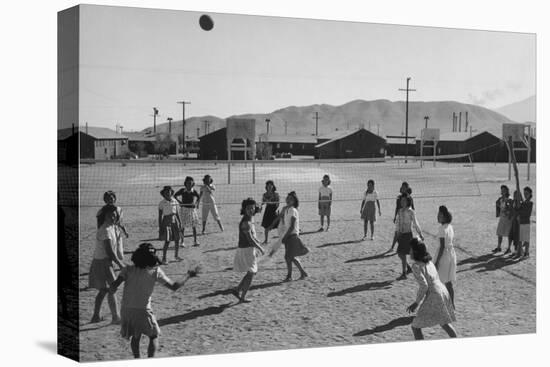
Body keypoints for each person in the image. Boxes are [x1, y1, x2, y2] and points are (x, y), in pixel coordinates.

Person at [111, 243, 199, 358]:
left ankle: (137, 359)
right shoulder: (155, 271)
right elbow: (174, 286)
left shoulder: (128, 269)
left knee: (135, 336)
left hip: (126, 310)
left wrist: (110, 288)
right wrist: (188, 275)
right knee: (153, 335)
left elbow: (114, 286)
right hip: (143, 310)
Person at [406, 238, 457, 340]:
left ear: (415, 252)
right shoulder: (429, 262)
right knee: (444, 322)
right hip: (442, 291)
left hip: (434, 295)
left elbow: (424, 285)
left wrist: (416, 303)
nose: (409, 251)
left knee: (415, 326)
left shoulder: (416, 266)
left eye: (411, 249)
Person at [89, 205, 125, 324]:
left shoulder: (113, 227)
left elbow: (115, 248)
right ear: (105, 216)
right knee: (111, 289)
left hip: (106, 262)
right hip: (101, 262)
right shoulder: (104, 230)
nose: (113, 217)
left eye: (115, 214)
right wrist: (120, 264)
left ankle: (96, 316)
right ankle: (115, 317)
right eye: (110, 215)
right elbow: (109, 251)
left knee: (105, 290)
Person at [232, 198, 265, 303]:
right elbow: (250, 239)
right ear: (244, 209)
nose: (251, 210)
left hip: (247, 249)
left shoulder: (250, 218)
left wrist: (257, 240)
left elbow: (252, 236)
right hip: (246, 250)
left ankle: (237, 290)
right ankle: (242, 297)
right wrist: (260, 247)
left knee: (251, 272)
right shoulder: (246, 222)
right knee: (251, 273)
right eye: (248, 208)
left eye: (252, 208)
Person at [394, 194, 424, 280]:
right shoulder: (399, 211)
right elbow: (398, 223)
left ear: (408, 202)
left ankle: (404, 273)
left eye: (404, 201)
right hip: (401, 235)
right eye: (401, 200)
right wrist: (398, 233)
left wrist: (420, 233)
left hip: (408, 235)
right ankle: (408, 268)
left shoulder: (411, 212)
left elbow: (415, 223)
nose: (402, 202)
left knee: (403, 253)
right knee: (400, 253)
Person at [281, 191, 309, 281]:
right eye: (287, 198)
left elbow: (292, 226)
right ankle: (303, 273)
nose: (288, 200)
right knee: (291, 257)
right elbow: (285, 223)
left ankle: (289, 276)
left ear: (294, 201)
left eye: (291, 199)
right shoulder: (287, 210)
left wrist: (285, 237)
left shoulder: (293, 210)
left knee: (288, 257)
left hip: (292, 236)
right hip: (288, 235)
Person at [434, 205, 457, 307]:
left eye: (440, 215)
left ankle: (441, 304)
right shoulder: (450, 227)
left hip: (444, 255)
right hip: (451, 254)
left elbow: (442, 246)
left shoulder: (441, 229)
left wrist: (437, 261)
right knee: (448, 281)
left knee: (438, 281)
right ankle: (451, 304)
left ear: (444, 216)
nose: (438, 216)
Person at [158, 186, 182, 264]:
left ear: (171, 192)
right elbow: (160, 216)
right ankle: (164, 258)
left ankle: (176, 256)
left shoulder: (174, 201)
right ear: (163, 194)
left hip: (175, 220)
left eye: (169, 192)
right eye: (166, 192)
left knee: (177, 239)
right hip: (166, 221)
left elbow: (177, 212)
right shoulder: (162, 203)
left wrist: (180, 222)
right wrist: (160, 227)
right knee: (167, 241)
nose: (168, 193)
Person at [175, 177, 201, 247]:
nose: (189, 184)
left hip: (191, 210)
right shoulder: (182, 190)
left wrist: (196, 203)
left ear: (193, 184)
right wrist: (180, 202)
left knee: (194, 226)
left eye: (190, 183)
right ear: (185, 184)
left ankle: (195, 241)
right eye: (188, 183)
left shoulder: (194, 191)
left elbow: (199, 197)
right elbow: (175, 195)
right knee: (182, 226)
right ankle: (182, 242)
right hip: (184, 209)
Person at [514, 186, 533, 259]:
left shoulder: (530, 203)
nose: (525, 195)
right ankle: (520, 252)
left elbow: (526, 213)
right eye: (524, 193)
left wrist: (519, 210)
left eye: (527, 193)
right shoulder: (523, 202)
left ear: (530, 194)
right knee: (521, 238)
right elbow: (517, 210)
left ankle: (526, 253)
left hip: (526, 222)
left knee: (526, 239)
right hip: (521, 222)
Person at [493, 185, 513, 253]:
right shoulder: (500, 198)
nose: (503, 191)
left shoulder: (510, 199)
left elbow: (511, 209)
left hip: (508, 219)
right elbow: (498, 204)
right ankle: (499, 247)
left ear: (507, 190)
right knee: (499, 233)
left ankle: (509, 248)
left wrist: (507, 211)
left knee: (508, 234)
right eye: (502, 190)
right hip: (502, 218)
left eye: (504, 190)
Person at [260, 180, 280, 244]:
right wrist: (264, 202)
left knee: (280, 225)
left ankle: (284, 237)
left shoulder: (276, 194)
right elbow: (263, 203)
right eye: (268, 185)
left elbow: (277, 204)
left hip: (274, 211)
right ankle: (266, 240)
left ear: (273, 186)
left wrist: (270, 202)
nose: (269, 187)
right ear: (266, 186)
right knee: (266, 227)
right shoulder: (265, 194)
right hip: (268, 211)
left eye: (271, 185)